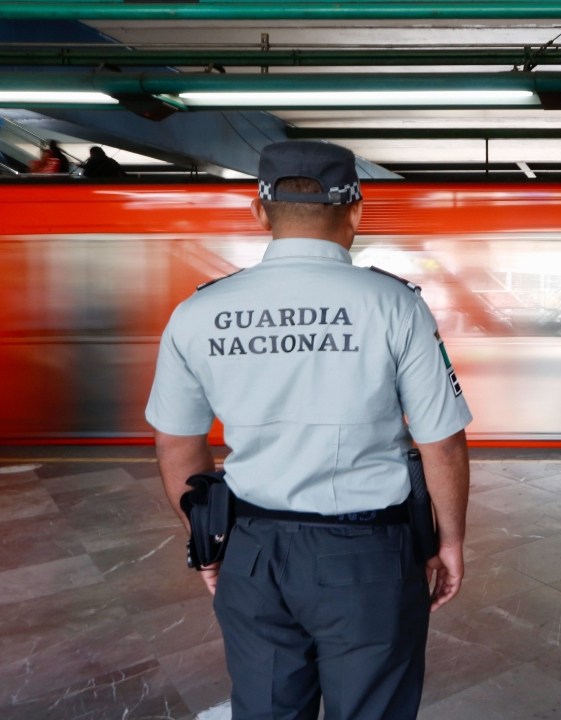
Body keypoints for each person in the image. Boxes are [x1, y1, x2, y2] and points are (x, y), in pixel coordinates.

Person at [144, 140, 472, 720]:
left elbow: (176, 443)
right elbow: (440, 440)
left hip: (252, 552)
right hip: (370, 557)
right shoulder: (394, 304)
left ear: (260, 212)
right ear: (355, 212)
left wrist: (208, 540)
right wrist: (448, 542)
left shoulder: (198, 312)